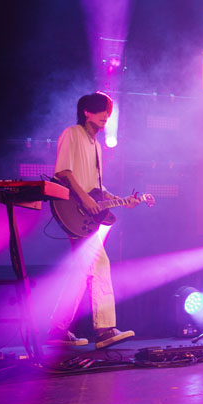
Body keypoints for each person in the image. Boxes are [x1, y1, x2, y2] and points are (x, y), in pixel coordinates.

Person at [46, 92, 137, 349]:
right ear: (86, 112)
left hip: (86, 213)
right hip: (73, 210)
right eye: (100, 110)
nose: (106, 116)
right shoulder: (72, 134)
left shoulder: (96, 145)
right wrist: (84, 198)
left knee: (79, 273)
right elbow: (64, 172)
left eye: (108, 112)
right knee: (100, 264)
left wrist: (117, 199)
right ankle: (105, 330)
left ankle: (57, 330)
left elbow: (95, 186)